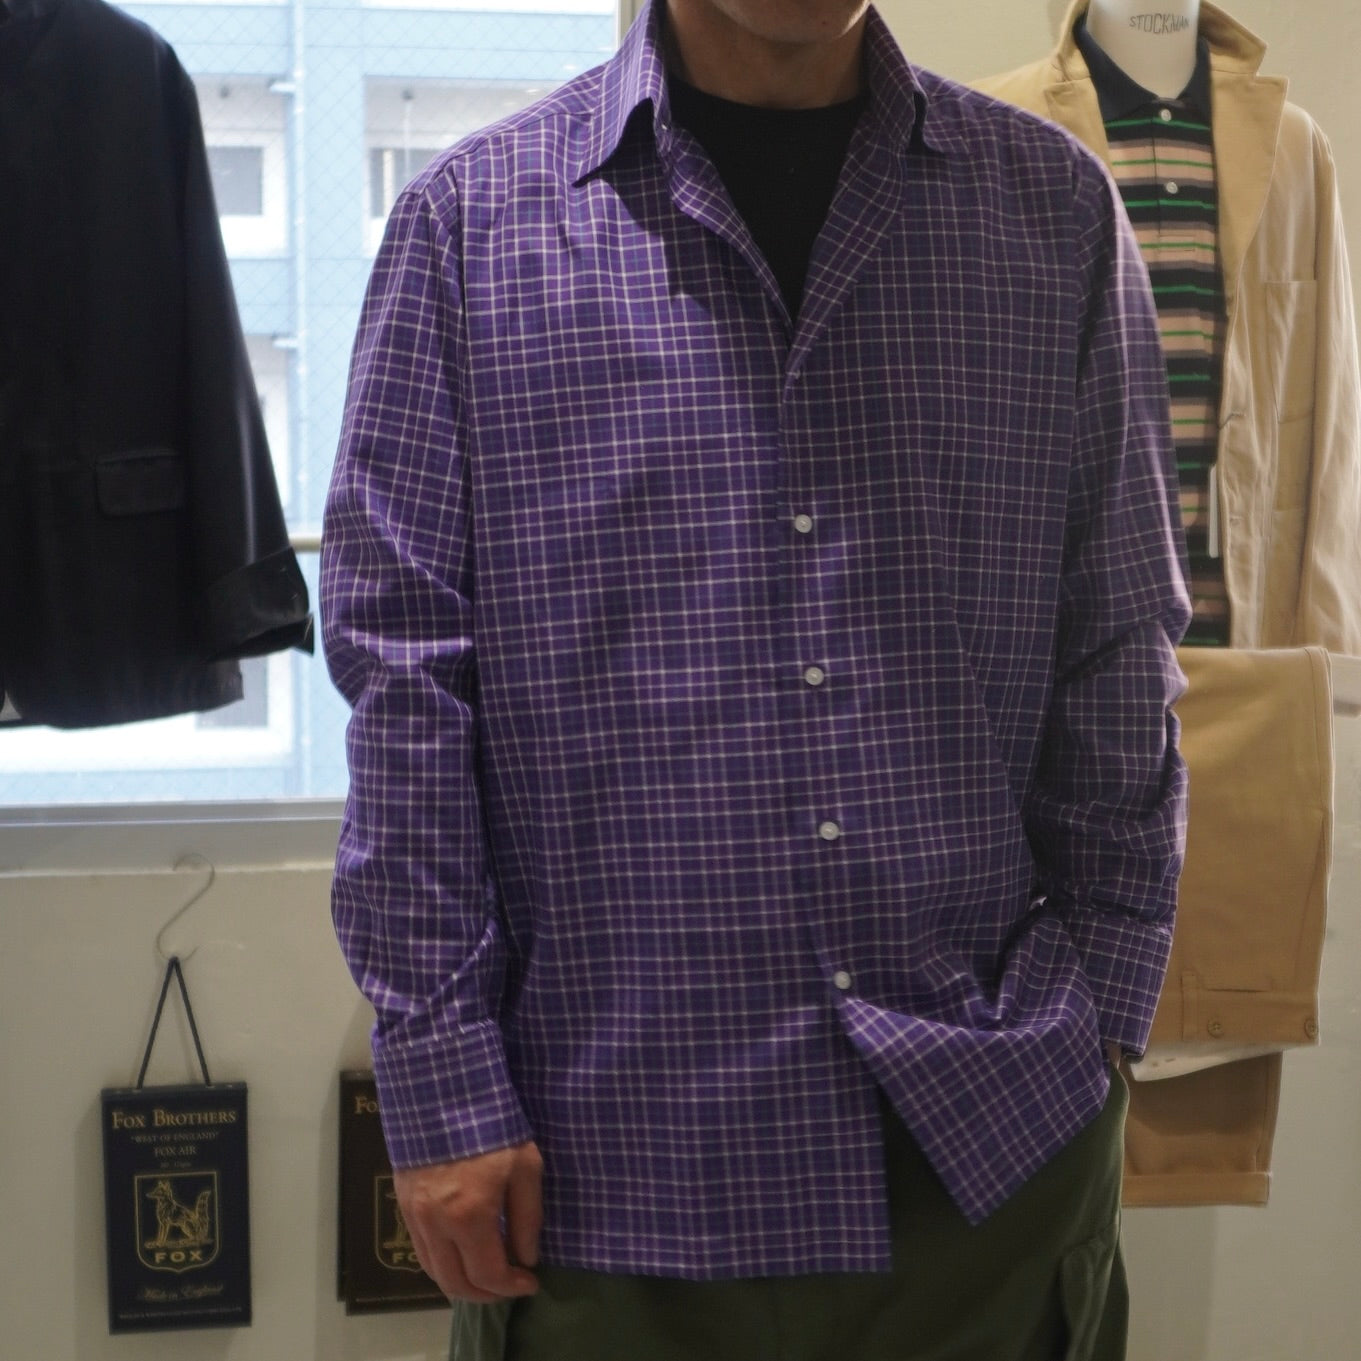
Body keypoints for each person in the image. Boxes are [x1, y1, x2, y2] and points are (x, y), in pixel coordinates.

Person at [321, 0, 1191, 1356]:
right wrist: (441, 1069)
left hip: (989, 1156)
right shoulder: (471, 229)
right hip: (606, 1180)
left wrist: (1105, 1021)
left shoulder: (1050, 210)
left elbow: (1117, 643)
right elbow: (405, 678)